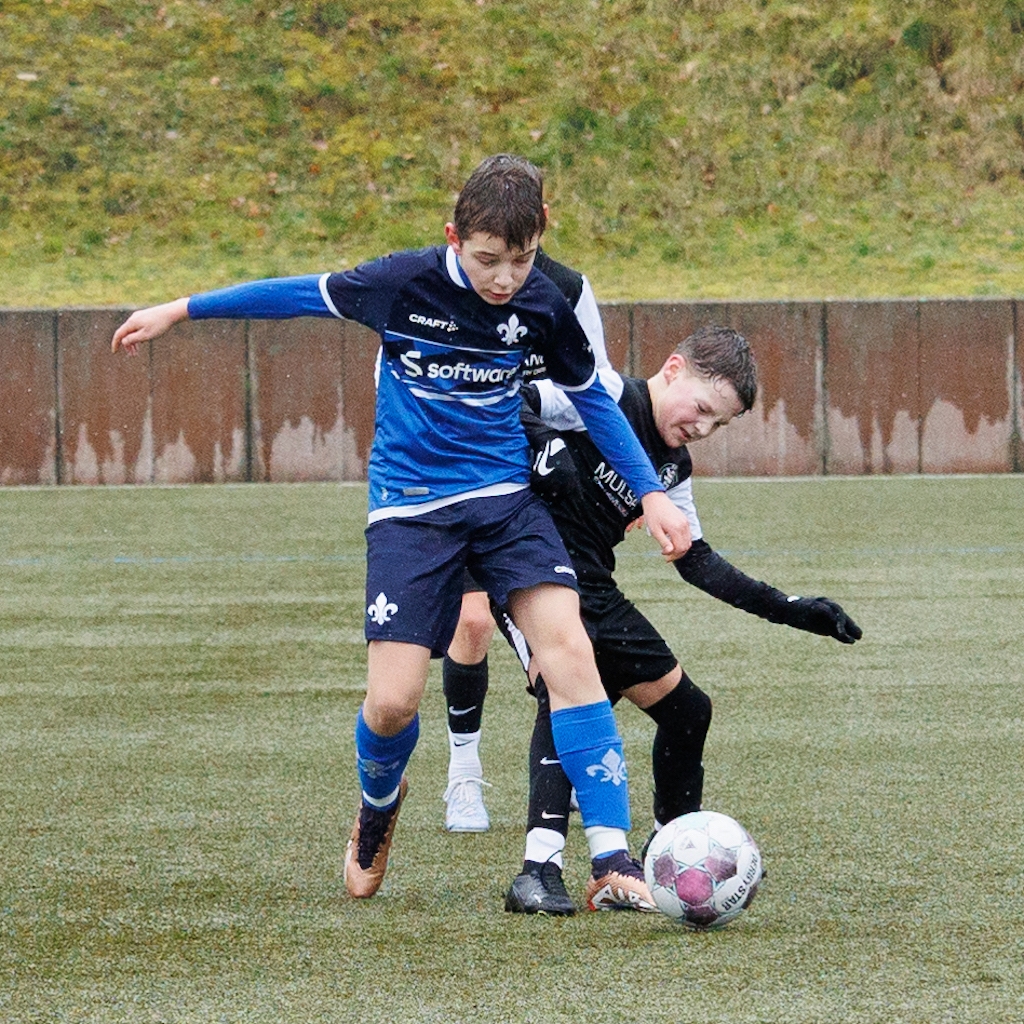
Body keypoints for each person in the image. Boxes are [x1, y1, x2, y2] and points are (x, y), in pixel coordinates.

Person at [110, 153, 694, 908]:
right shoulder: (402, 283)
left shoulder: (545, 304)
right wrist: (180, 310)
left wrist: (651, 494)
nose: (503, 279)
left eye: (520, 260)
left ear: (542, 234)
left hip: (507, 504)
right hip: (411, 510)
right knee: (392, 704)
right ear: (454, 237)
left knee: (570, 652)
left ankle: (611, 861)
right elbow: (297, 295)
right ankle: (379, 804)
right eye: (486, 259)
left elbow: (594, 401)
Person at [495, 324, 863, 914]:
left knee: (688, 711)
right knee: (566, 691)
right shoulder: (603, 393)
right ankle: (538, 871)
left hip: (595, 590)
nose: (703, 428)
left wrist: (793, 609)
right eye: (703, 409)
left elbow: (698, 562)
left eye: (720, 424)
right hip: (527, 574)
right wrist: (543, 442)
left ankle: (668, 855)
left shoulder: (673, 468)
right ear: (673, 370)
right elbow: (507, 395)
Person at [441, 248, 612, 834]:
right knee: (471, 623)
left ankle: (568, 774)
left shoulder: (568, 288)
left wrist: (528, 403)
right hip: (463, 473)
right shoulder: (443, 283)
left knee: (561, 640)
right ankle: (464, 773)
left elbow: (594, 389)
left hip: (541, 481)